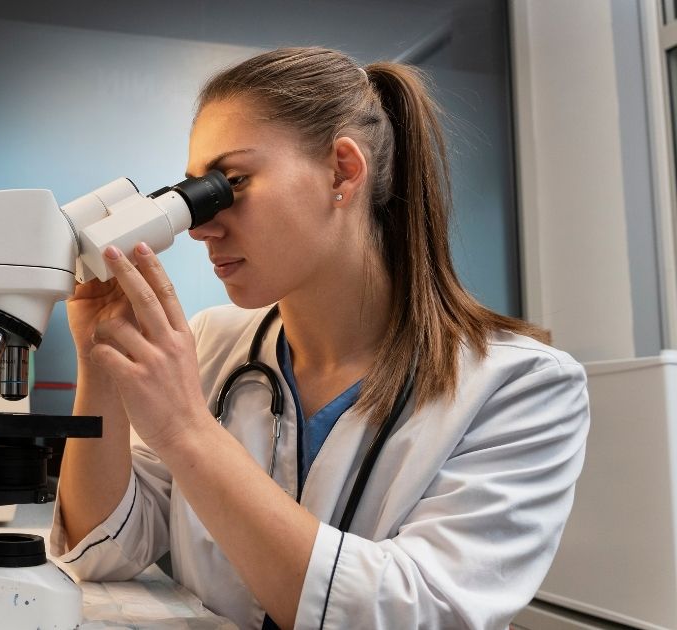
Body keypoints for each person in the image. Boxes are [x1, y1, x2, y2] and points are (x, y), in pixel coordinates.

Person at [50, 47, 590, 629]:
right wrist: (100, 361)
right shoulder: (210, 344)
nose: (201, 228)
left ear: (342, 171)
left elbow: (414, 614)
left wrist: (187, 430)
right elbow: (101, 551)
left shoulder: (521, 385)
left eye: (231, 183)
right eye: (195, 193)